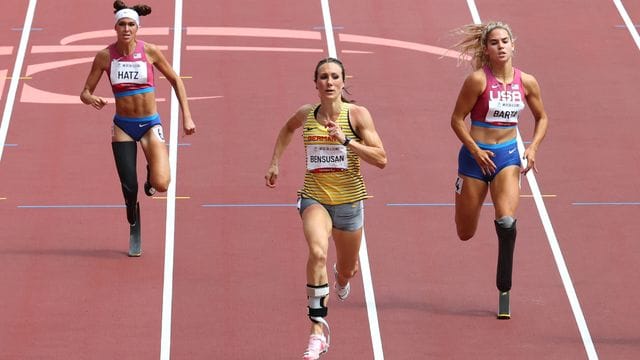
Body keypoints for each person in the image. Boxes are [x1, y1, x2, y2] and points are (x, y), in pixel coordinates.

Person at [265, 57, 387, 359]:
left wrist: (345, 140)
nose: (329, 82)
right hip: (314, 198)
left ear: (343, 82)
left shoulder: (357, 115)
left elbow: (381, 158)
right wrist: (275, 162)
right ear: (316, 83)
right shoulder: (306, 114)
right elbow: (286, 130)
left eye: (335, 76)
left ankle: (342, 276)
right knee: (317, 251)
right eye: (323, 77)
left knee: (348, 269)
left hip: (349, 202)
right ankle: (317, 331)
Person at [80, 0, 195, 257]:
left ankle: (150, 175)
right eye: (122, 24)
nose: (126, 28)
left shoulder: (150, 52)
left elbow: (176, 79)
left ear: (138, 28)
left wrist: (187, 116)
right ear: (115, 27)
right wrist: (91, 99)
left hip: (150, 123)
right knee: (128, 188)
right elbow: (84, 92)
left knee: (162, 184)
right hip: (123, 126)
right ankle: (133, 219)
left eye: (131, 24)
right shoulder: (105, 56)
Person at [450, 21, 548, 319]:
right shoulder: (477, 81)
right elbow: (456, 119)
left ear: (513, 45)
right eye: (494, 42)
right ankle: (462, 190)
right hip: (475, 159)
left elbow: (542, 118)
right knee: (465, 232)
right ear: (486, 49)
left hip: (507, 158)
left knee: (507, 223)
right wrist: (475, 150)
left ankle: (504, 288)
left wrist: (530, 149)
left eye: (505, 41)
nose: (501, 46)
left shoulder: (526, 81)